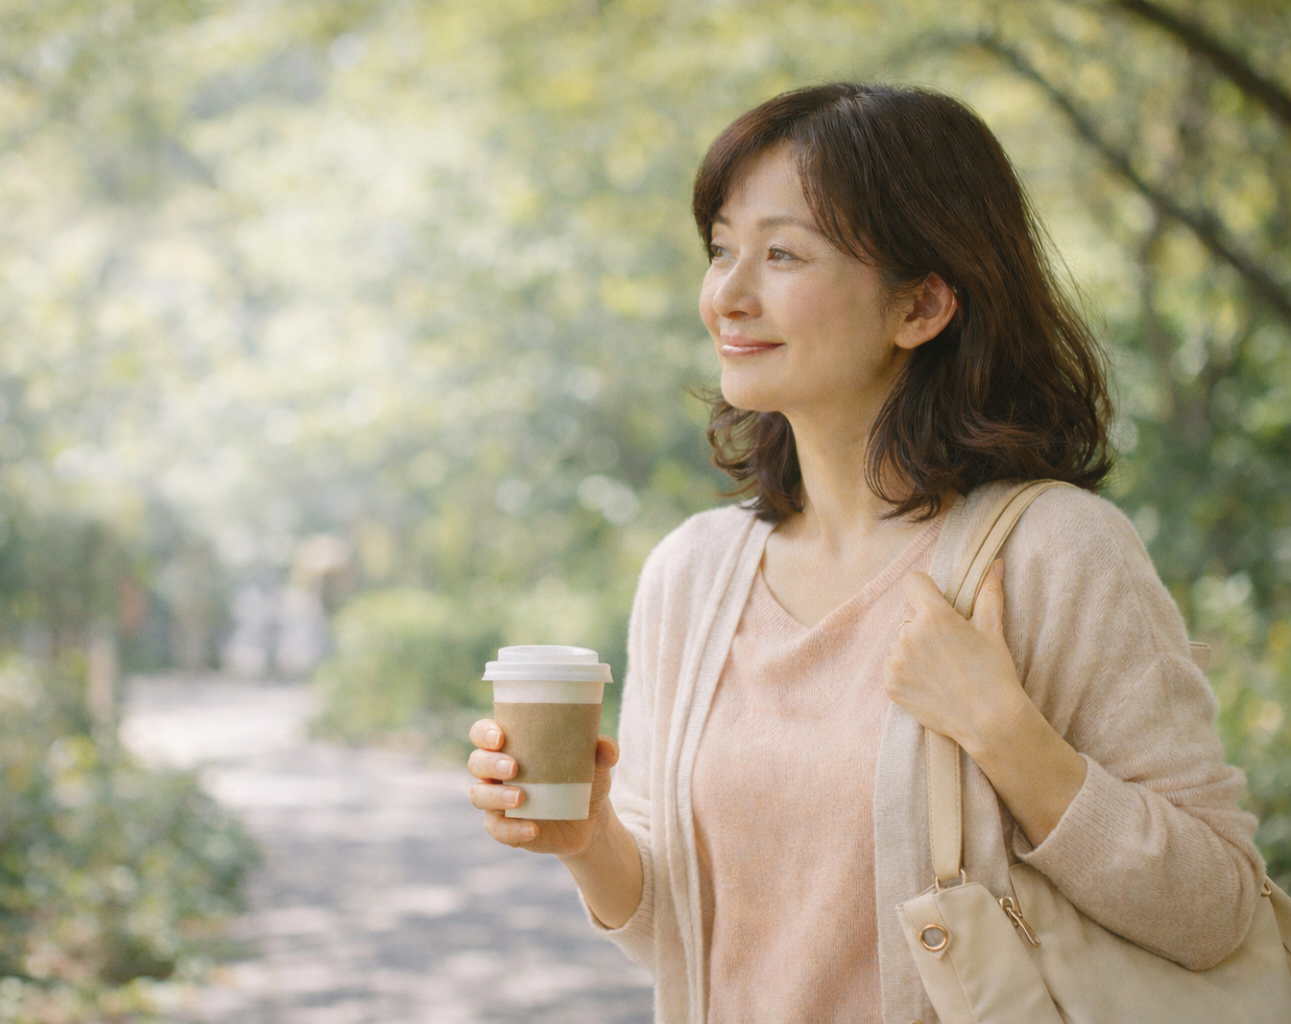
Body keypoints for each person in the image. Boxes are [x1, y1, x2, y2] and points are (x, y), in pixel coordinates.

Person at [466, 83, 1264, 1024]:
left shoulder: (1054, 552)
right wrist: (587, 835)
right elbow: (690, 946)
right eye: (722, 249)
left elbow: (1216, 910)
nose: (728, 294)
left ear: (922, 304)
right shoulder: (693, 574)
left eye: (781, 253)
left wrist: (1005, 735)